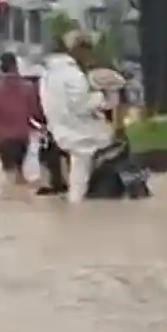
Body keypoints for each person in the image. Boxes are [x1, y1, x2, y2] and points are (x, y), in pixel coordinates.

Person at [40, 31, 113, 204]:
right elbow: (81, 105)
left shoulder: (48, 74)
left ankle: (76, 201)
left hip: (59, 128)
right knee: (87, 164)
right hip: (79, 130)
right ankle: (79, 203)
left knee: (78, 168)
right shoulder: (74, 75)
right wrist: (101, 97)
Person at [0, 52, 39, 193]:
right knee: (20, 176)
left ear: (1, 67)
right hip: (22, 137)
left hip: (4, 137)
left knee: (8, 177)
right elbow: (35, 112)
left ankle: (10, 203)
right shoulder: (28, 87)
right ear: (16, 66)